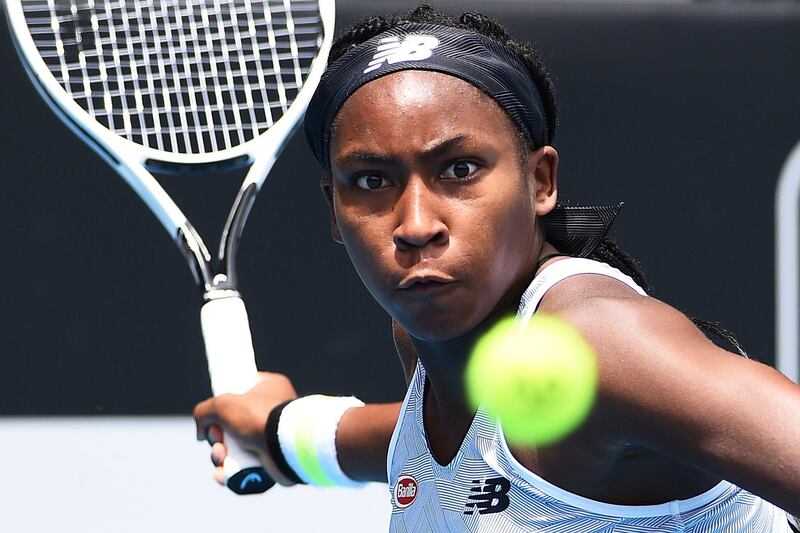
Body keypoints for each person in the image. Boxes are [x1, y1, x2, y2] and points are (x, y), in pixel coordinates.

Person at [194, 5, 800, 531]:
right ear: (334, 208)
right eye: (372, 181)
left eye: (459, 170)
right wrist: (282, 433)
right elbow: (443, 464)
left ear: (540, 182)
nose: (415, 224)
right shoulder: (429, 340)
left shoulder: (597, 347)